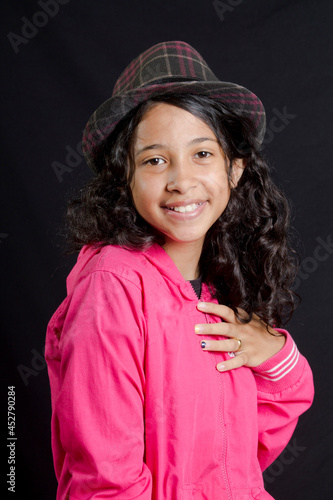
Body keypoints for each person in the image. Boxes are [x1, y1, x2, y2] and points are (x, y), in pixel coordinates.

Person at [45, 41, 314, 499]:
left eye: (202, 154)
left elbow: (241, 458)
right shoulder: (114, 285)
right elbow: (106, 481)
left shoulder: (217, 290)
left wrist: (273, 354)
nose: (181, 180)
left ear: (235, 169)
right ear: (124, 176)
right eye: (154, 160)